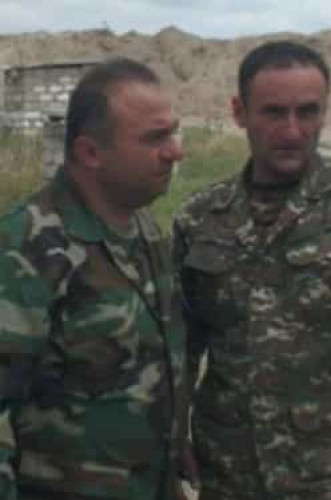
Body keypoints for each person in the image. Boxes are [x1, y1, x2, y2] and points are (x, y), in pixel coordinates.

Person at [173, 41, 331, 499]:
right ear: (239, 113)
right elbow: (183, 339)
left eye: (308, 112)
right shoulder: (199, 217)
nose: (292, 131)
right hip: (229, 473)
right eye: (274, 112)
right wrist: (173, 427)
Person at [0, 59, 192, 499]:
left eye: (174, 132)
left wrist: (173, 441)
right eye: (155, 138)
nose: (175, 152)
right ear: (91, 153)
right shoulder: (24, 249)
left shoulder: (142, 226)